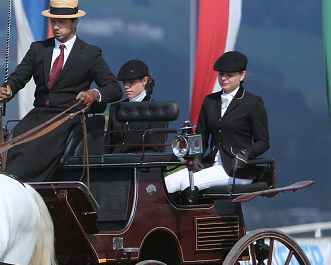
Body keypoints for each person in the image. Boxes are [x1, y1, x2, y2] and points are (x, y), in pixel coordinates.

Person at [0, 0, 121, 181]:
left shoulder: (90, 53)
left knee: (37, 144)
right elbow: (19, 76)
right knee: (16, 141)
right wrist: (8, 89)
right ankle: (7, 179)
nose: (56, 26)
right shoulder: (38, 49)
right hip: (38, 114)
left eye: (61, 22)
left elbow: (114, 88)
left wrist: (94, 94)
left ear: (75, 22)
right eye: (53, 21)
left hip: (68, 116)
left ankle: (19, 183)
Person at [164, 51, 269, 199]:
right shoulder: (210, 101)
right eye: (221, 74)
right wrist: (197, 157)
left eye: (229, 75)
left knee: (187, 184)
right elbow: (201, 138)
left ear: (242, 75)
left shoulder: (253, 103)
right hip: (210, 164)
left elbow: (263, 142)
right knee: (166, 183)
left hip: (236, 169)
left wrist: (246, 154)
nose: (223, 79)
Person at [104, 59, 168, 152]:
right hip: (115, 164)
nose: (126, 86)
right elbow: (108, 145)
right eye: (124, 82)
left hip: (141, 164)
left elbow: (156, 149)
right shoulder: (115, 108)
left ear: (144, 81)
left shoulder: (157, 110)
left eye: (131, 82)